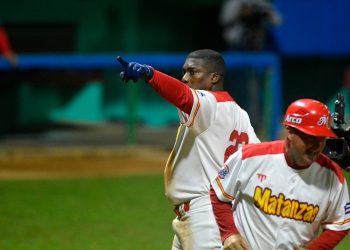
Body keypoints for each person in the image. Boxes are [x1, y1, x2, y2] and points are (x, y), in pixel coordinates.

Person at [117, 49, 260, 249]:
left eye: (193, 72)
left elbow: (182, 95)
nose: (185, 78)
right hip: (211, 212)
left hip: (205, 215)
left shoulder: (209, 104)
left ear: (214, 77)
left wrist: (149, 74)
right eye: (184, 71)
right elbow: (256, 158)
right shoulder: (241, 114)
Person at [210, 98, 350, 250]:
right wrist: (229, 233)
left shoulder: (332, 176)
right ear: (289, 132)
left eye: (321, 139)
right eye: (310, 138)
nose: (316, 146)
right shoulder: (251, 157)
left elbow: (340, 224)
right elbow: (218, 192)